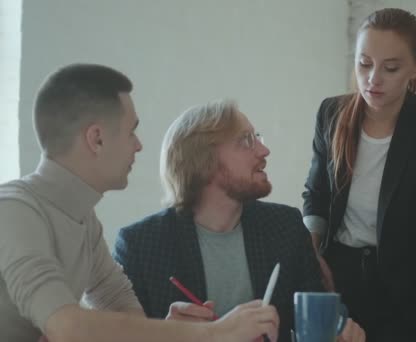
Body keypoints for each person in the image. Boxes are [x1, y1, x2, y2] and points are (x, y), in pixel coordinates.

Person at [0, 64, 279, 342]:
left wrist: (172, 331)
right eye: (131, 131)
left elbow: (125, 314)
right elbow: (66, 327)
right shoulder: (13, 210)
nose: (139, 145)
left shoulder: (84, 220)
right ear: (96, 139)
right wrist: (214, 333)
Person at [113, 100, 365, 342]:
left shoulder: (285, 226)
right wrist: (168, 336)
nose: (264, 151)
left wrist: (340, 328)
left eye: (258, 137)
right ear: (204, 159)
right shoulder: (140, 244)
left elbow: (317, 309)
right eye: (246, 140)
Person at [302, 8, 416, 342]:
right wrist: (309, 260)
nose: (374, 78)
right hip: (337, 280)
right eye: (364, 63)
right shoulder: (330, 114)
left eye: (391, 68)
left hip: (405, 286)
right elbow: (316, 197)